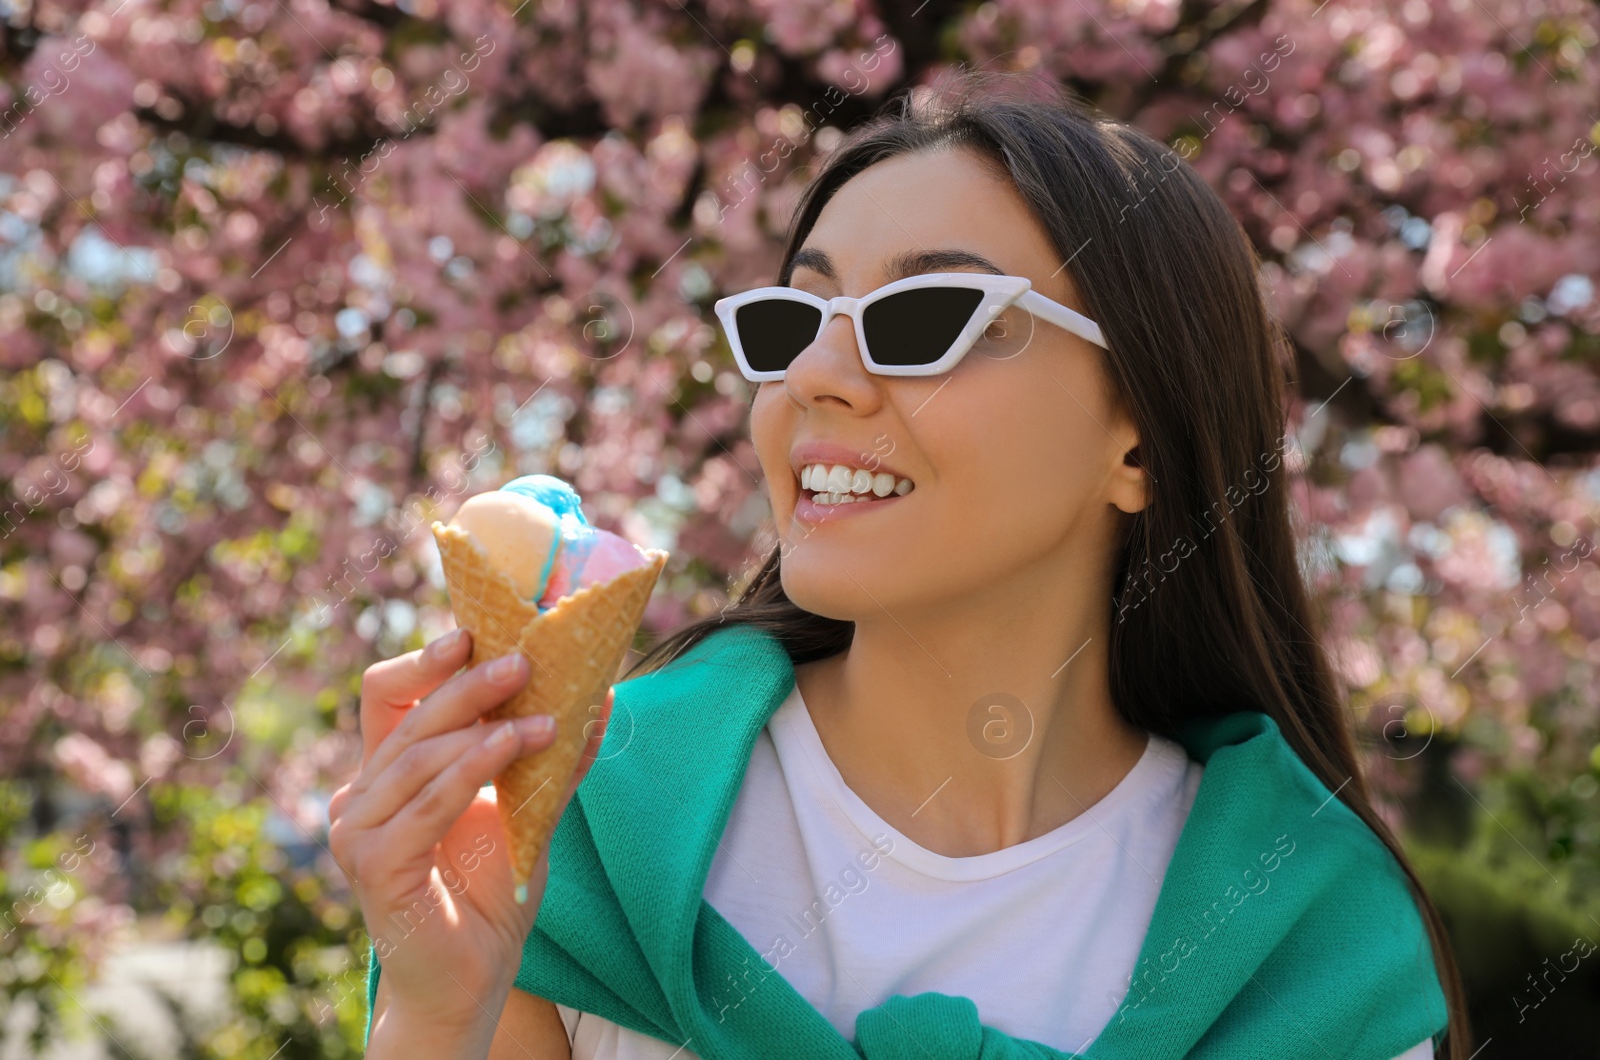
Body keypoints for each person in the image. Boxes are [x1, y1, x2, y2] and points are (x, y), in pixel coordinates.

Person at [332, 68, 1471, 1059]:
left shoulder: (1305, 937)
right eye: (791, 323)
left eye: (924, 318)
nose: (813, 378)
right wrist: (437, 1015)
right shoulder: (574, 825)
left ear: (1138, 436)